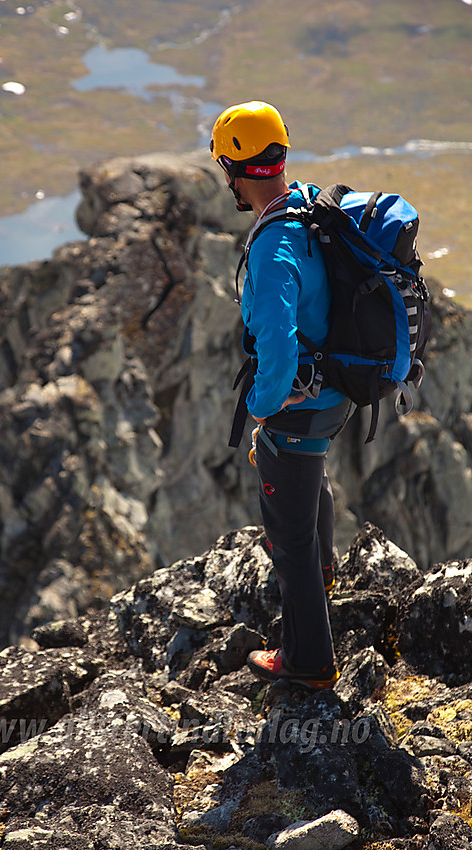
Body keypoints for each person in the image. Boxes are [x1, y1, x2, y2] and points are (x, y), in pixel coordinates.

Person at [210, 100, 351, 689]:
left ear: (234, 169)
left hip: (303, 407)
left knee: (285, 540)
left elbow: (278, 345)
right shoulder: (309, 206)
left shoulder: (272, 248)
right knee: (310, 484)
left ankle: (308, 662)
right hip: (341, 393)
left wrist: (265, 409)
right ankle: (326, 567)